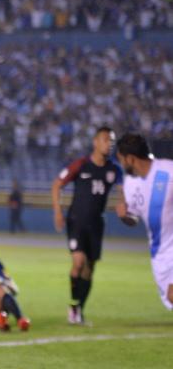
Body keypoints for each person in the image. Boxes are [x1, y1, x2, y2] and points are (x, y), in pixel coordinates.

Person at [51, 126, 123, 324]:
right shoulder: (81, 165)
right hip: (76, 221)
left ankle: (79, 310)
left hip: (96, 224)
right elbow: (57, 184)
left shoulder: (114, 169)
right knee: (78, 263)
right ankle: (73, 305)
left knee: (89, 270)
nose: (109, 144)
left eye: (112, 141)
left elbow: (123, 191)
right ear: (96, 142)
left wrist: (123, 204)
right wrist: (58, 210)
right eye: (106, 140)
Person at [115, 133, 173, 311]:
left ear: (130, 159)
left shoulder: (168, 171)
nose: (121, 164)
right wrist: (125, 216)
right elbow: (134, 218)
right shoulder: (130, 183)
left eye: (121, 159)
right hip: (160, 253)